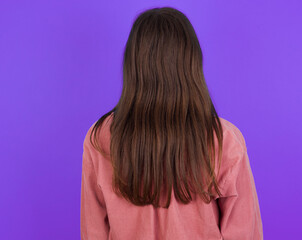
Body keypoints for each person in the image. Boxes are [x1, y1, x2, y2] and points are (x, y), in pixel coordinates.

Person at [80, 6, 263, 240]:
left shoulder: (99, 138)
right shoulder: (224, 139)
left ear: (133, 64)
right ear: (191, 63)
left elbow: (93, 232)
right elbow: (244, 234)